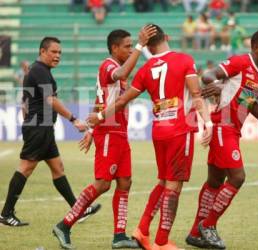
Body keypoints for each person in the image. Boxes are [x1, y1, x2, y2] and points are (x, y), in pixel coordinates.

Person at [87, 24, 213, 250]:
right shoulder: (185, 60)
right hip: (180, 129)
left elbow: (122, 100)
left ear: (148, 44)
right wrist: (208, 122)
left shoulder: (145, 69)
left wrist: (99, 115)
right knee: (174, 187)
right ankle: (162, 242)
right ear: (167, 37)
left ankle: (142, 230)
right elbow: (195, 94)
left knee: (164, 182)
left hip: (159, 131)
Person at [52, 26, 157, 250]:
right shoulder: (109, 66)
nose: (130, 50)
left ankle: (119, 236)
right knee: (102, 184)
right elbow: (121, 75)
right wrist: (140, 45)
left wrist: (90, 130)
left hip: (119, 134)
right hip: (109, 133)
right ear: (114, 48)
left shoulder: (116, 69)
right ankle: (65, 224)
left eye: (132, 46)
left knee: (125, 182)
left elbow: (101, 102)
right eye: (127, 47)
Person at [186, 30, 258, 249]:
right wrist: (220, 85)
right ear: (256, 48)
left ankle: (195, 232)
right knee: (238, 177)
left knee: (215, 182)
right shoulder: (240, 62)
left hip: (232, 129)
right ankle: (209, 225)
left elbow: (249, 103)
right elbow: (207, 76)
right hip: (223, 127)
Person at [0, 37, 101, 227]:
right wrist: (73, 119)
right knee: (26, 168)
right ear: (42, 51)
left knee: (58, 168)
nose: (57, 56)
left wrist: (28, 121)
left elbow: (25, 102)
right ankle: (6, 214)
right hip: (40, 127)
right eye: (54, 52)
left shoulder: (36, 71)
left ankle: (78, 209)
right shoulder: (40, 71)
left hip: (41, 127)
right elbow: (51, 101)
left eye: (60, 53)